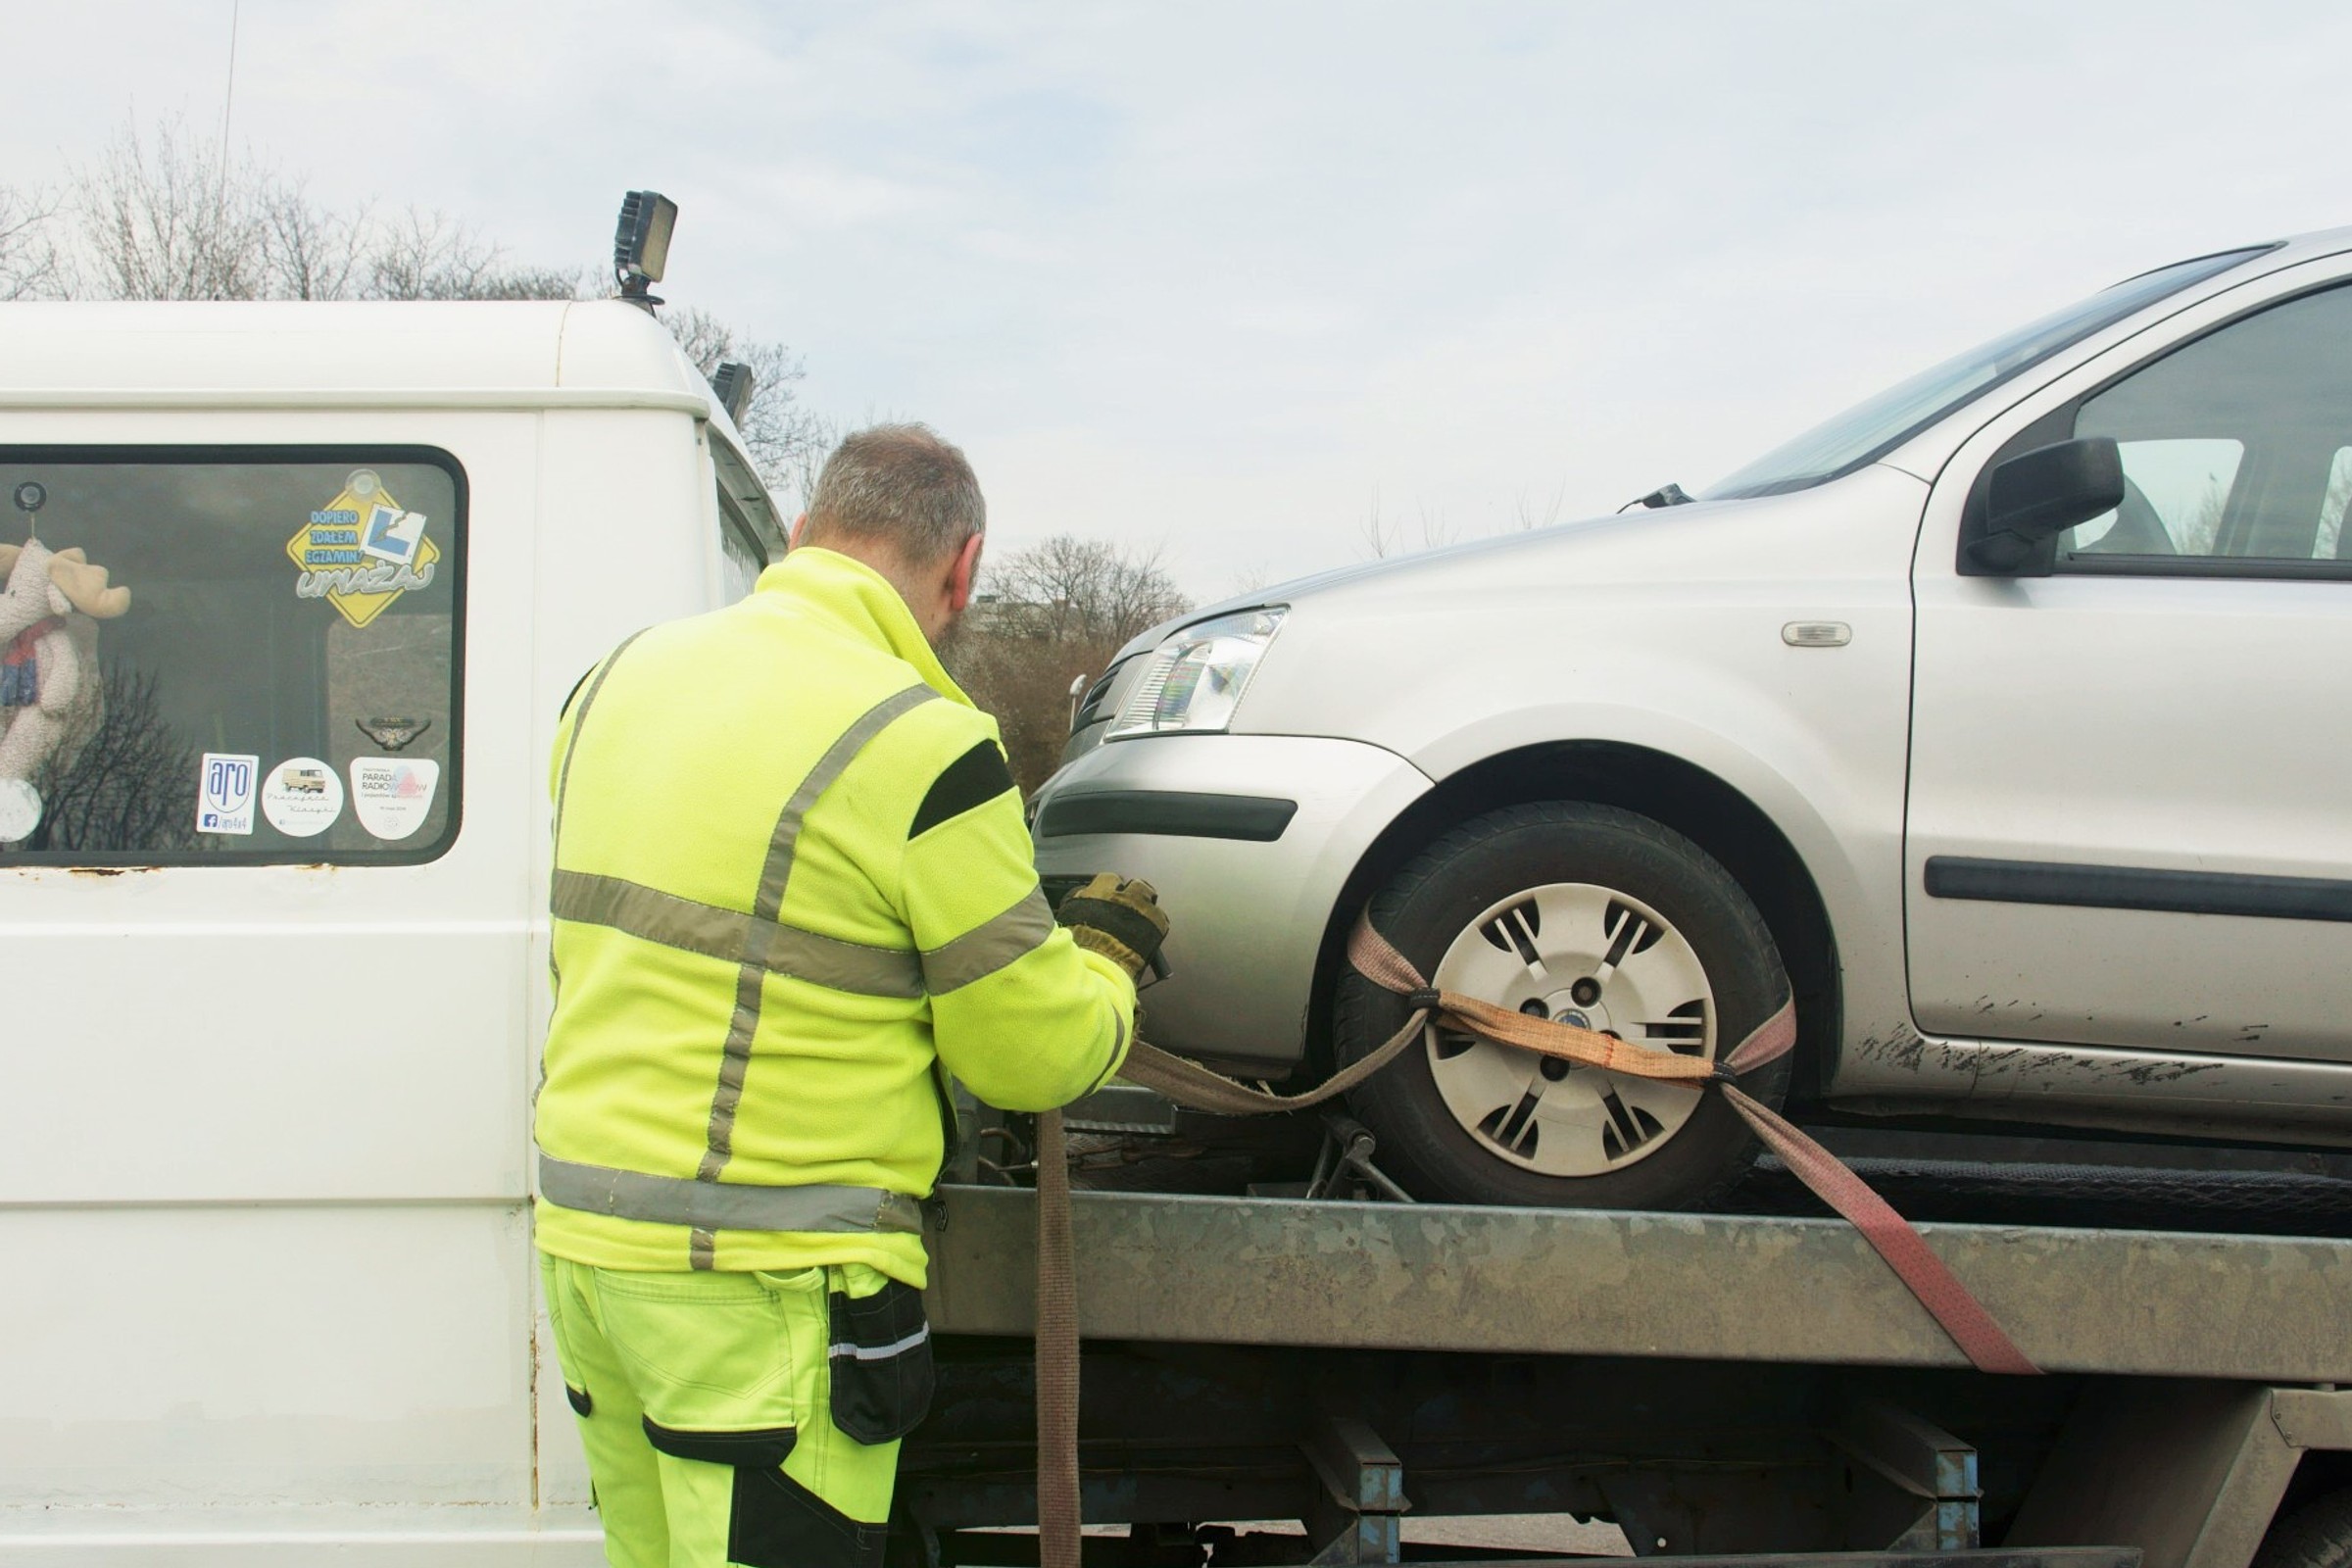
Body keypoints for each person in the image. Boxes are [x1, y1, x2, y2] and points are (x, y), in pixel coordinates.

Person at [532, 423, 1168, 1568]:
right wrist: (1111, 962)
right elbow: (1027, 1055)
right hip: (766, 1286)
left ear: (799, 531)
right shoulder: (925, 748)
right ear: (963, 567)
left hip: (589, 1257)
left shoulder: (610, 682)